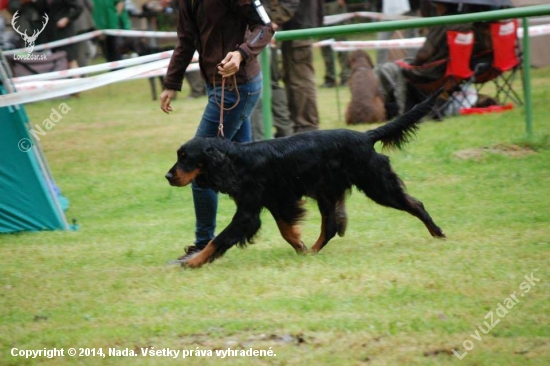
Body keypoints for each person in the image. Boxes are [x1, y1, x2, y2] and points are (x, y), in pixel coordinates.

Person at [160, 0, 274, 261]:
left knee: (198, 166)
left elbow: (265, 26)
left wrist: (242, 53)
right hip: (217, 85)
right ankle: (252, 223)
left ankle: (203, 246)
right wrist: (171, 83)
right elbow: (186, 39)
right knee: (249, 171)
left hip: (238, 86)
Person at [272, 0, 323, 133]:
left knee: (300, 81)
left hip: (299, 28)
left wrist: (274, 21)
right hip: (297, 27)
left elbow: (291, 2)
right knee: (293, 79)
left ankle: (306, 127)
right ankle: (299, 127)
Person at [320, 0, 350, 88]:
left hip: (335, 5)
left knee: (340, 42)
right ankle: (330, 78)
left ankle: (346, 77)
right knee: (324, 44)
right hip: (321, 5)